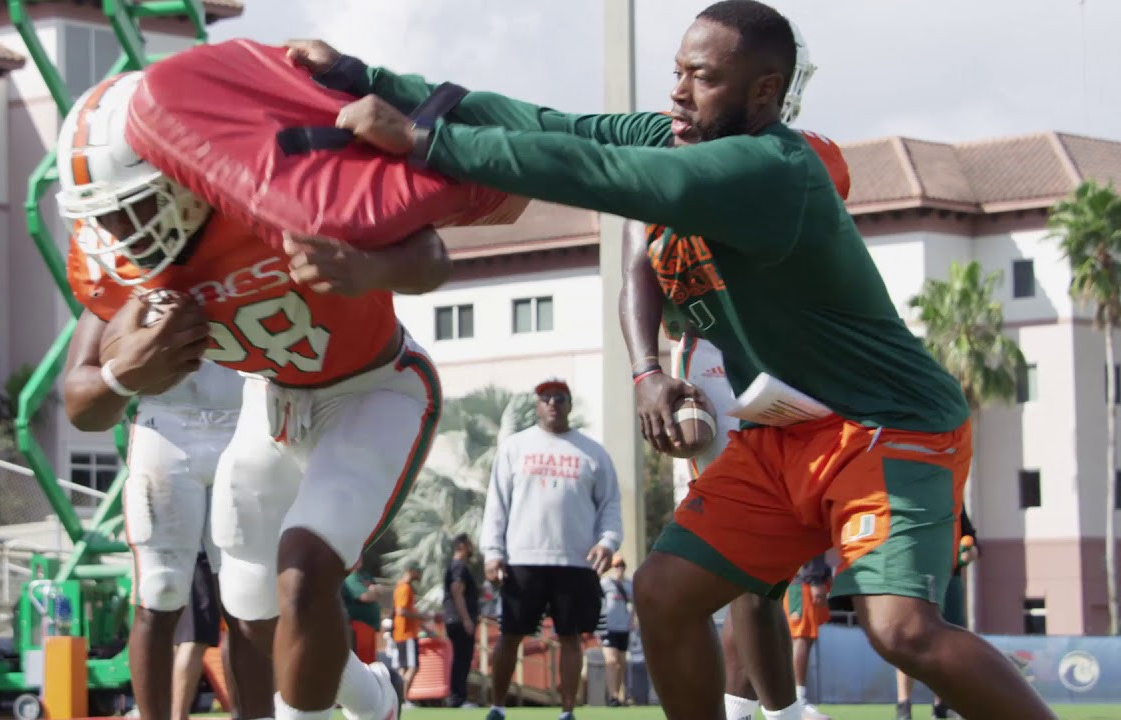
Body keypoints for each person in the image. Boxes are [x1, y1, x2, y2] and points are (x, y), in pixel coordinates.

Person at [285, 1, 1060, 717]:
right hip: (788, 431)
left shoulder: (768, 172)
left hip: (886, 427)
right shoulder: (676, 135)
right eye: (679, 71)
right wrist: (367, 77)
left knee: (903, 632)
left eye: (703, 77)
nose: (679, 92)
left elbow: (601, 174)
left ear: (763, 94)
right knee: (664, 592)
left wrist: (427, 141)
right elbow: (547, 123)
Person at [55, 69, 454, 720]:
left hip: (375, 390)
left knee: (304, 568)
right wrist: (126, 377)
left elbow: (431, 254)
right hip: (269, 405)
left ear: (183, 171)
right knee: (253, 610)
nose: (120, 230)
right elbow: (81, 401)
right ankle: (375, 697)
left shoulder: (278, 183)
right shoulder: (124, 256)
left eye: (133, 203)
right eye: (102, 212)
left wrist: (370, 268)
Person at [618, 38, 850, 717]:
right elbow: (639, 264)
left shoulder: (812, 158)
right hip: (712, 361)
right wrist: (646, 372)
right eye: (683, 75)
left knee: (767, 569)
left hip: (796, 364)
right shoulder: (665, 159)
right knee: (743, 567)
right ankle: (778, 710)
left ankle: (765, 708)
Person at [62, 304, 263, 720]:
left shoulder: (254, 248)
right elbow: (79, 399)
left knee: (251, 598)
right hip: (166, 423)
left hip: (249, 419)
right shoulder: (125, 270)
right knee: (160, 589)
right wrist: (122, 375)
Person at [478, 377, 623, 720]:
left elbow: (611, 506)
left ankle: (567, 711)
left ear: (570, 405)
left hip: (575, 561)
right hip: (523, 558)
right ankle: (498, 707)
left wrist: (607, 542)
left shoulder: (593, 452)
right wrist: (492, 551)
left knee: (571, 637)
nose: (553, 404)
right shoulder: (515, 447)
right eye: (546, 398)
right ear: (537, 405)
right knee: (510, 634)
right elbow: (496, 503)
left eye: (560, 398)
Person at [896, 507, 978, 720]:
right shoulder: (913, 499)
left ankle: (941, 706)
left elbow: (972, 541)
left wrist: (969, 552)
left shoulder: (955, 502)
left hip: (949, 579)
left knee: (947, 644)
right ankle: (904, 707)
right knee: (907, 640)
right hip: (915, 577)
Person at [172, 553, 229, 720]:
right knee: (194, 640)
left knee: (182, 640)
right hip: (201, 555)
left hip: (184, 555)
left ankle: (174, 713)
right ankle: (177, 715)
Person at [783, 555, 832, 720]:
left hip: (802, 577)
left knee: (802, 639)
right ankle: (798, 702)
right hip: (802, 580)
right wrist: (815, 580)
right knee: (801, 638)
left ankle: (795, 701)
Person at [442, 533, 480, 708]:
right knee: (462, 658)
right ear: (463, 546)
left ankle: (457, 697)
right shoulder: (459, 567)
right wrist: (466, 619)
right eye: (470, 544)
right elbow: (456, 590)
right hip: (459, 619)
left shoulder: (454, 566)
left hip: (453, 619)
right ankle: (458, 698)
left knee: (460, 658)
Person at [597, 555, 634, 707]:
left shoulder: (629, 585)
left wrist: (633, 619)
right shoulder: (606, 583)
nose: (619, 568)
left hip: (623, 628)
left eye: (622, 565)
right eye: (617, 566)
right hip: (608, 627)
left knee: (621, 663)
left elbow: (634, 603)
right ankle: (612, 695)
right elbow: (597, 600)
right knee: (611, 661)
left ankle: (617, 695)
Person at [392, 563, 428, 700]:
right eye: (418, 571)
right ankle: (403, 698)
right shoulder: (405, 588)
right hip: (406, 633)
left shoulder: (401, 587)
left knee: (404, 668)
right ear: (411, 571)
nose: (420, 575)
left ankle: (398, 697)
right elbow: (401, 611)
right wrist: (420, 616)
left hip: (402, 633)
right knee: (412, 667)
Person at [341, 559, 385, 665]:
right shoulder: (350, 578)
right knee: (363, 664)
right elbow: (365, 597)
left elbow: (378, 592)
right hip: (359, 626)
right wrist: (375, 591)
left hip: (369, 628)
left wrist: (374, 591)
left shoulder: (364, 576)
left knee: (370, 663)